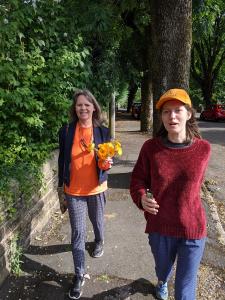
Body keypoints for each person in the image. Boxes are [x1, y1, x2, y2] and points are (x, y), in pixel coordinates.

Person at [130, 88, 211, 300]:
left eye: (177, 110)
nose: (172, 116)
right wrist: (141, 197)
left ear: (189, 114)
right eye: (166, 111)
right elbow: (138, 180)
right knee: (162, 269)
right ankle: (162, 281)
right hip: (160, 227)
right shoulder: (150, 148)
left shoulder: (204, 149)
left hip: (192, 228)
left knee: (185, 289)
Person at [57, 89, 112, 299]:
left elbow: (106, 162)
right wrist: (60, 187)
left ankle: (99, 240)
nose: (83, 108)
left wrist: (107, 163)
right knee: (78, 233)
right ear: (75, 108)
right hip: (74, 191)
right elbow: (62, 160)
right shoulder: (67, 130)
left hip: (96, 188)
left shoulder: (103, 132)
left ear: (94, 107)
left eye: (87, 105)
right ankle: (79, 274)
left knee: (97, 221)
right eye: (79, 105)